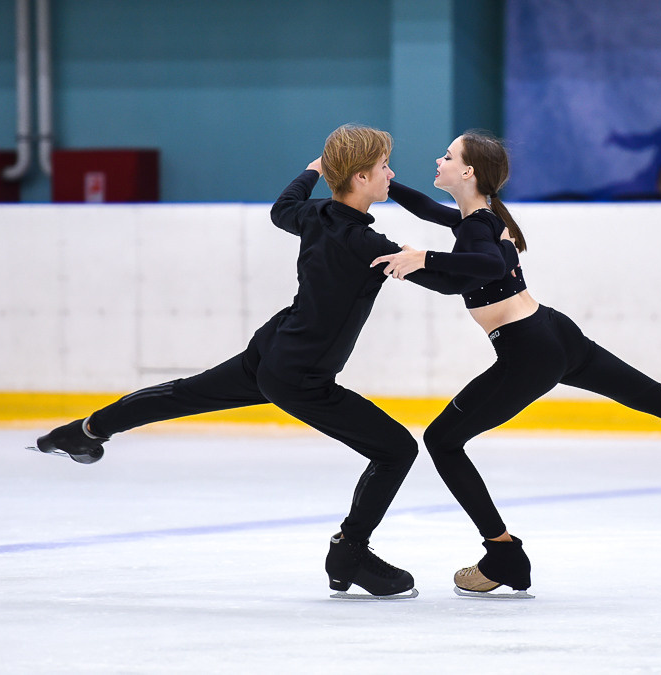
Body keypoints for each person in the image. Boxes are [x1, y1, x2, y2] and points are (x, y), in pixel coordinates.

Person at [371, 130, 661, 598]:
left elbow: (484, 268)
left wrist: (421, 257)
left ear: (468, 171)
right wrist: (384, 189)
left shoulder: (476, 228)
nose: (439, 159)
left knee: (441, 440)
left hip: (528, 350)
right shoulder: (481, 218)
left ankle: (504, 554)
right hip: (556, 333)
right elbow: (450, 255)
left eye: (448, 155)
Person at [31, 124, 483, 600]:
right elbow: (453, 284)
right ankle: (349, 552)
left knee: (184, 394)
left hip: (275, 347)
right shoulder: (366, 246)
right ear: (360, 178)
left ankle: (86, 431)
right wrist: (467, 254)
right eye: (384, 167)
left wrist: (311, 171)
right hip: (300, 374)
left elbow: (281, 208)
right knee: (396, 450)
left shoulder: (315, 216)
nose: (391, 174)